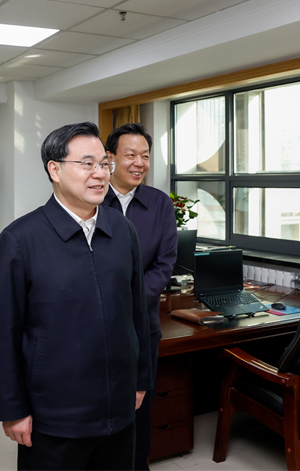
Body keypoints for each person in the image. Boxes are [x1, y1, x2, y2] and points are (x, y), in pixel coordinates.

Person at [0, 122, 151, 470]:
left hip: (118, 411)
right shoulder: (20, 240)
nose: (99, 174)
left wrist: (140, 381)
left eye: (104, 164)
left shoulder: (123, 230)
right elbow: (3, 334)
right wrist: (13, 410)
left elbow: (138, 313)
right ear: (55, 170)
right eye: (87, 164)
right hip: (55, 417)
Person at [102, 123, 177, 469]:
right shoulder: (92, 198)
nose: (139, 163)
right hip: (97, 326)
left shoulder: (159, 203)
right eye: (130, 155)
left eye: (145, 156)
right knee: (102, 407)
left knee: (140, 407)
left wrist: (129, 302)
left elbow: (165, 264)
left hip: (142, 326)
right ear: (110, 158)